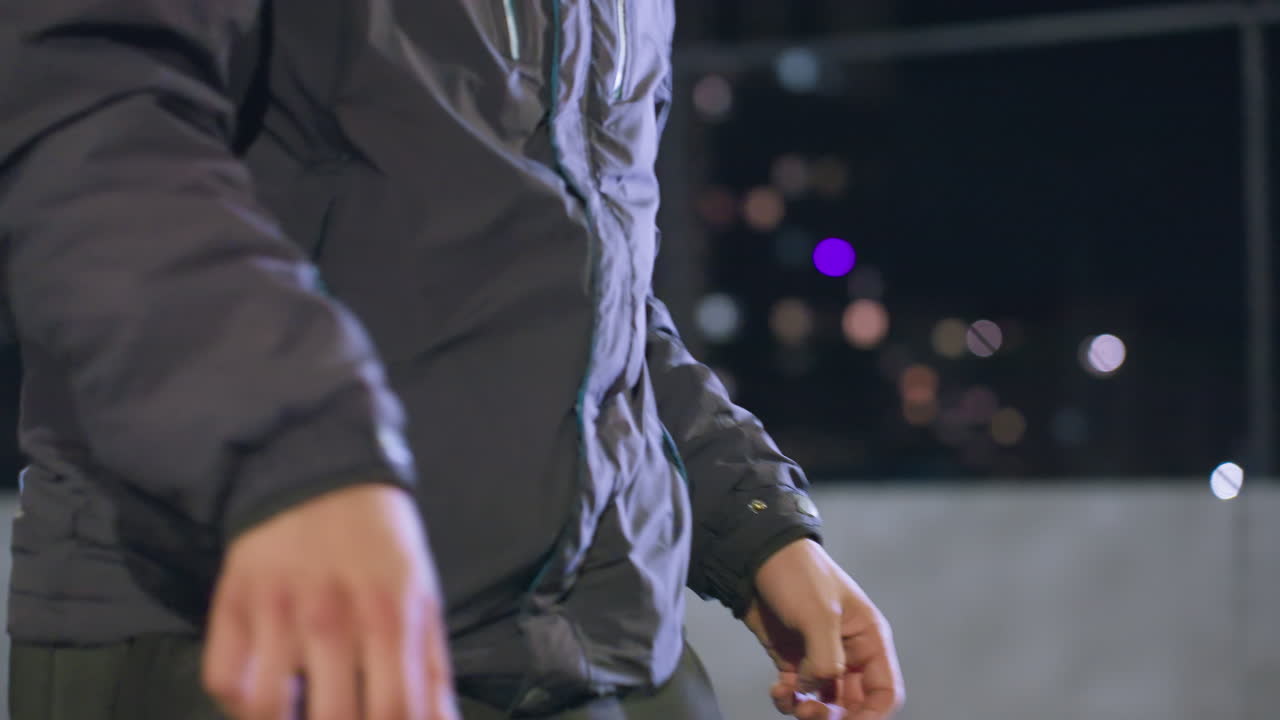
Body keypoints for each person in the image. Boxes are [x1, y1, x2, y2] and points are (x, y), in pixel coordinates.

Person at [0, 1, 904, 719]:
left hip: (611, 648)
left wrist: (748, 519)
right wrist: (291, 449)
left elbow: (588, 276)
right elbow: (90, 131)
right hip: (254, 626)